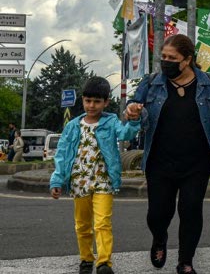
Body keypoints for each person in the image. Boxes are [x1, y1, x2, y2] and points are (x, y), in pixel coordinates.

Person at [124, 34, 210, 274]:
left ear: (187, 60)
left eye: (172, 58)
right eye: (163, 57)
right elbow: (135, 104)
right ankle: (159, 239)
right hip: (159, 159)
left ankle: (185, 261)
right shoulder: (152, 82)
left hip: (197, 162)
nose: (165, 61)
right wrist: (133, 110)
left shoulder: (207, 82)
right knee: (158, 213)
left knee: (191, 209)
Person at [49, 77, 142, 274]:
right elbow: (62, 155)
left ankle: (104, 263)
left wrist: (134, 120)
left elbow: (125, 134)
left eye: (97, 101)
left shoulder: (111, 121)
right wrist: (57, 180)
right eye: (88, 100)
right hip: (79, 183)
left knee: (102, 223)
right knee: (82, 225)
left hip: (104, 181)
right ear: (82, 100)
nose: (92, 105)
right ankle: (85, 259)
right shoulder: (73, 126)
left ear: (106, 102)